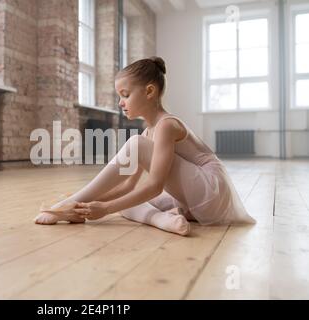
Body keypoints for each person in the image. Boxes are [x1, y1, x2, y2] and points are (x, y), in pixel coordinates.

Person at [34, 57, 256, 236]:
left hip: (210, 191)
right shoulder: (147, 133)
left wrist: (103, 209)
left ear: (149, 92)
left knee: (132, 162)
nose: (120, 103)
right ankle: (164, 221)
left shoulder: (167, 125)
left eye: (125, 95)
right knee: (126, 204)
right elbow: (128, 187)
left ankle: (66, 205)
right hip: (193, 198)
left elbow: (155, 185)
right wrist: (95, 202)